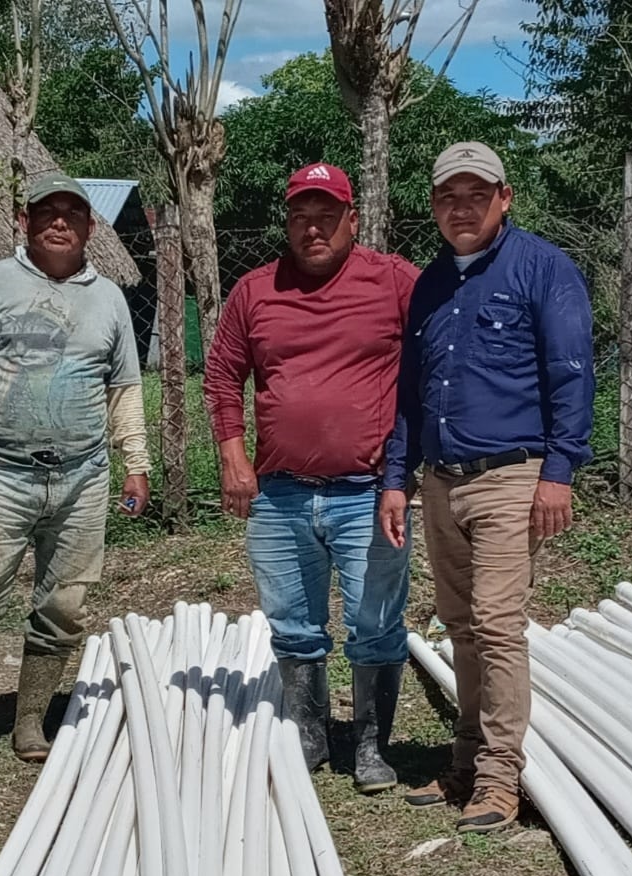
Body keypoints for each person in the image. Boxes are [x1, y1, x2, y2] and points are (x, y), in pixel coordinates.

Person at [380, 141, 594, 834]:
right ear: (434, 205)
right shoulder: (431, 284)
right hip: (442, 482)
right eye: (448, 197)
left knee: (499, 626)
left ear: (505, 198)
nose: (461, 208)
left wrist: (559, 472)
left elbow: (571, 374)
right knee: (462, 625)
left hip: (511, 475)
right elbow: (410, 391)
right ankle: (466, 763)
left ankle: (501, 779)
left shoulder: (542, 269)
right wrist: (396, 477)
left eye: (476, 195)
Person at [0, 173, 149, 770]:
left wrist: (136, 463)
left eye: (73, 212)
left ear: (91, 226)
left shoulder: (110, 299)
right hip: (0, 473)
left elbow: (124, 387)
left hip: (83, 476)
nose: (60, 222)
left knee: (64, 606)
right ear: (25, 220)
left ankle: (30, 720)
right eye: (47, 211)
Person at [204, 163, 420, 791]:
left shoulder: (394, 282)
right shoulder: (255, 291)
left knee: (374, 620)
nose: (313, 228)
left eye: (327, 215)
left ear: (353, 219)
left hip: (369, 492)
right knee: (293, 622)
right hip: (280, 492)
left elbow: (439, 355)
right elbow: (222, 375)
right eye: (301, 216)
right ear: (288, 222)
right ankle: (310, 731)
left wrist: (409, 467)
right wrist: (232, 454)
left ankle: (373, 744)